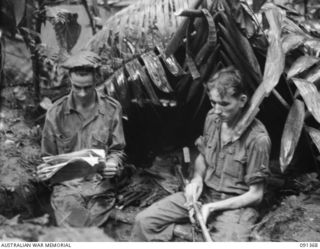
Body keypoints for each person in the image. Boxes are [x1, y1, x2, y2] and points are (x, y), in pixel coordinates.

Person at [130, 66, 271, 241]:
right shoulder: (212, 118)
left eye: (225, 104)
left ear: (242, 100)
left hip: (236, 206)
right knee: (144, 221)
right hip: (204, 195)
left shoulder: (258, 139)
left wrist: (212, 208)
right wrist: (196, 180)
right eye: (213, 102)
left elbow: (256, 195)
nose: (217, 110)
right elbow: (203, 156)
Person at [39, 50, 126, 227]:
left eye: (87, 87)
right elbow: (48, 158)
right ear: (70, 80)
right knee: (77, 229)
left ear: (96, 79)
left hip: (100, 188)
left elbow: (117, 150)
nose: (82, 93)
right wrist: (45, 170)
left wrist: (113, 164)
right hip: (66, 189)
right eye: (77, 87)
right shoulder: (55, 113)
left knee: (90, 230)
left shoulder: (111, 109)